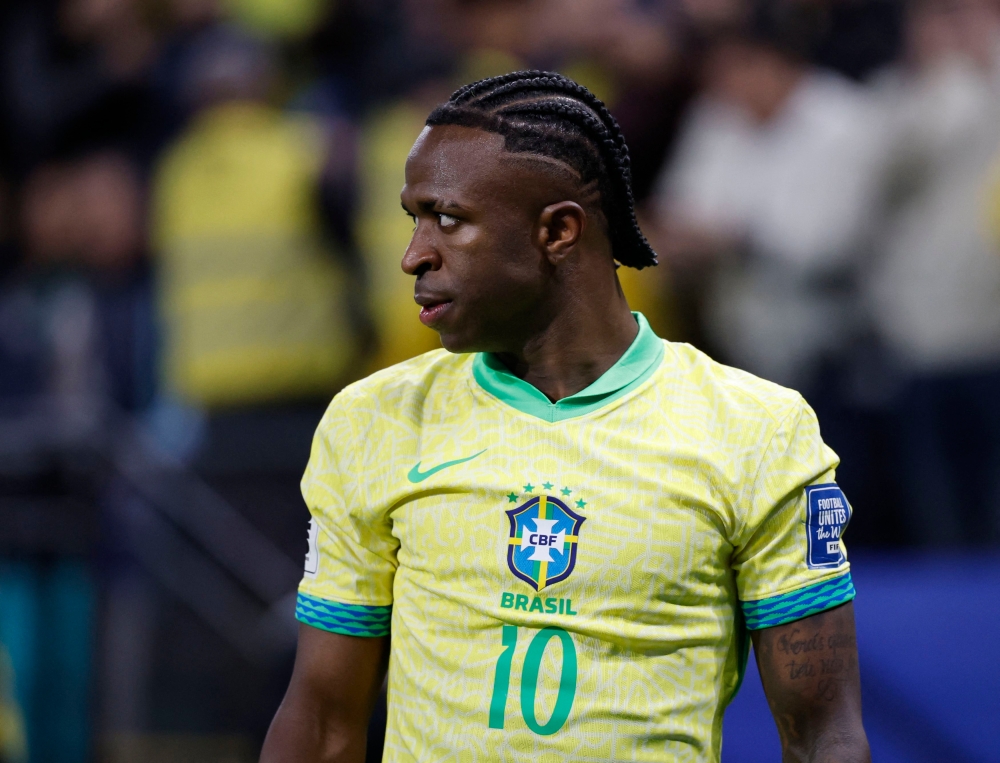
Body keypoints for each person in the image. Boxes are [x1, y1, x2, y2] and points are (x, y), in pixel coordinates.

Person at [260, 72, 869, 763]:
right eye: (413, 218)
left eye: (448, 218)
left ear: (556, 231)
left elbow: (826, 735)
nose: (414, 255)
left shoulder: (757, 429)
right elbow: (319, 719)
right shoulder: (375, 418)